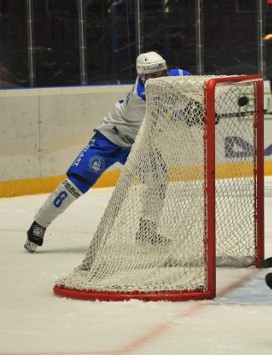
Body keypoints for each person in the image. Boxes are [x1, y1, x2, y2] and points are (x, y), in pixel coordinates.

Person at [24, 52, 189, 253]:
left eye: (162, 74)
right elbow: (168, 111)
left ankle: (147, 230)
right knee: (76, 182)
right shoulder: (142, 96)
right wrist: (190, 113)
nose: (159, 79)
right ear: (144, 77)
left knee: (158, 177)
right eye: (154, 76)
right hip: (109, 141)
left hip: (137, 146)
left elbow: (187, 80)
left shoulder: (165, 80)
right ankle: (39, 224)